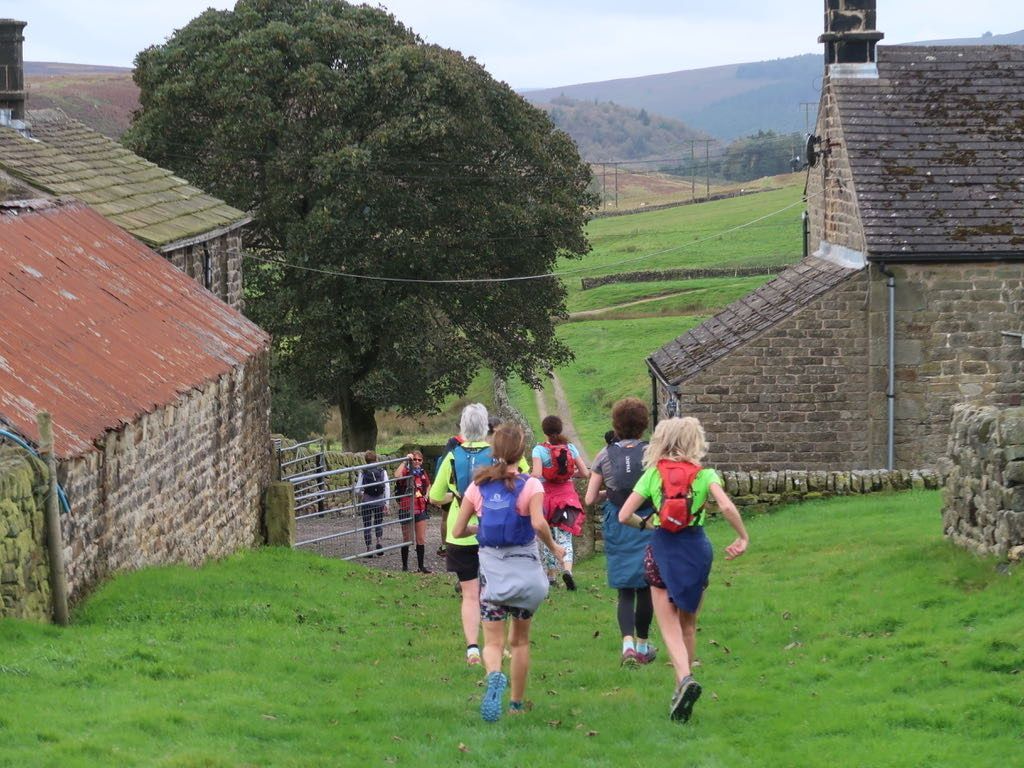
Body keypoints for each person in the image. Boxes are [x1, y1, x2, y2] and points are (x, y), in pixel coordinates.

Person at [617, 416, 749, 723]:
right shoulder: (705, 475)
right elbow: (727, 507)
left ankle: (685, 679)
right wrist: (743, 537)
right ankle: (682, 687)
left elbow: (624, 515)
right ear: (695, 442)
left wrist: (647, 524)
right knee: (688, 624)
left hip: (662, 549)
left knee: (669, 627)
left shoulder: (652, 474)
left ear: (661, 441)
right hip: (696, 550)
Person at [451, 422, 565, 722]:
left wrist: (482, 526)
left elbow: (458, 530)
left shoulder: (477, 487)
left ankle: (493, 676)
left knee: (492, 642)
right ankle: (515, 704)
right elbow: (539, 524)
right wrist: (554, 548)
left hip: (493, 577)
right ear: (521, 451)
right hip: (525, 575)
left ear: (495, 450)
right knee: (520, 641)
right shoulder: (531, 485)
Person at [585, 398, 656, 666]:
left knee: (625, 590)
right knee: (645, 586)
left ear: (616, 424)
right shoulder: (653, 452)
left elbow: (591, 498)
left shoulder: (604, 455)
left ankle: (627, 646)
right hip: (646, 520)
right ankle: (643, 645)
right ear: (643, 424)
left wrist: (611, 492)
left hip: (617, 521)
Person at [428, 403, 493, 666]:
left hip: (459, 533)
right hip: (492, 531)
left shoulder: (452, 456)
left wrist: (455, 498)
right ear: (486, 427)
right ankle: (495, 643)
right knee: (492, 590)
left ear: (463, 428)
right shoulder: (495, 455)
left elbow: (433, 496)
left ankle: (472, 649)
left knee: (469, 593)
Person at [531, 415, 588, 591]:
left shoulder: (539, 450)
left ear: (544, 431)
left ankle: (551, 575)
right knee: (565, 537)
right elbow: (585, 472)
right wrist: (569, 475)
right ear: (561, 428)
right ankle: (568, 571)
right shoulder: (570, 448)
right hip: (567, 498)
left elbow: (537, 473)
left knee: (548, 537)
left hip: (546, 498)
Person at [394, 450, 432, 573]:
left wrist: (427, 494)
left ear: (422, 461)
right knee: (407, 538)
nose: (416, 461)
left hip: (420, 508)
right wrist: (405, 461)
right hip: (406, 508)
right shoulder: (406, 471)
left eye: (419, 460)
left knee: (420, 539)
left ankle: (421, 566)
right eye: (414, 459)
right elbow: (397, 475)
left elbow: (429, 484)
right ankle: (405, 566)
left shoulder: (422, 472)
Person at [355, 450, 390, 556]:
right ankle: (379, 542)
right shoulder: (382, 471)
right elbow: (387, 487)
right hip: (379, 501)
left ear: (365, 460)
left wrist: (361, 492)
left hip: (366, 502)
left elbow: (357, 489)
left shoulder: (363, 471)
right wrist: (386, 503)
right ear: (376, 459)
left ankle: (369, 548)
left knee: (367, 525)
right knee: (378, 522)